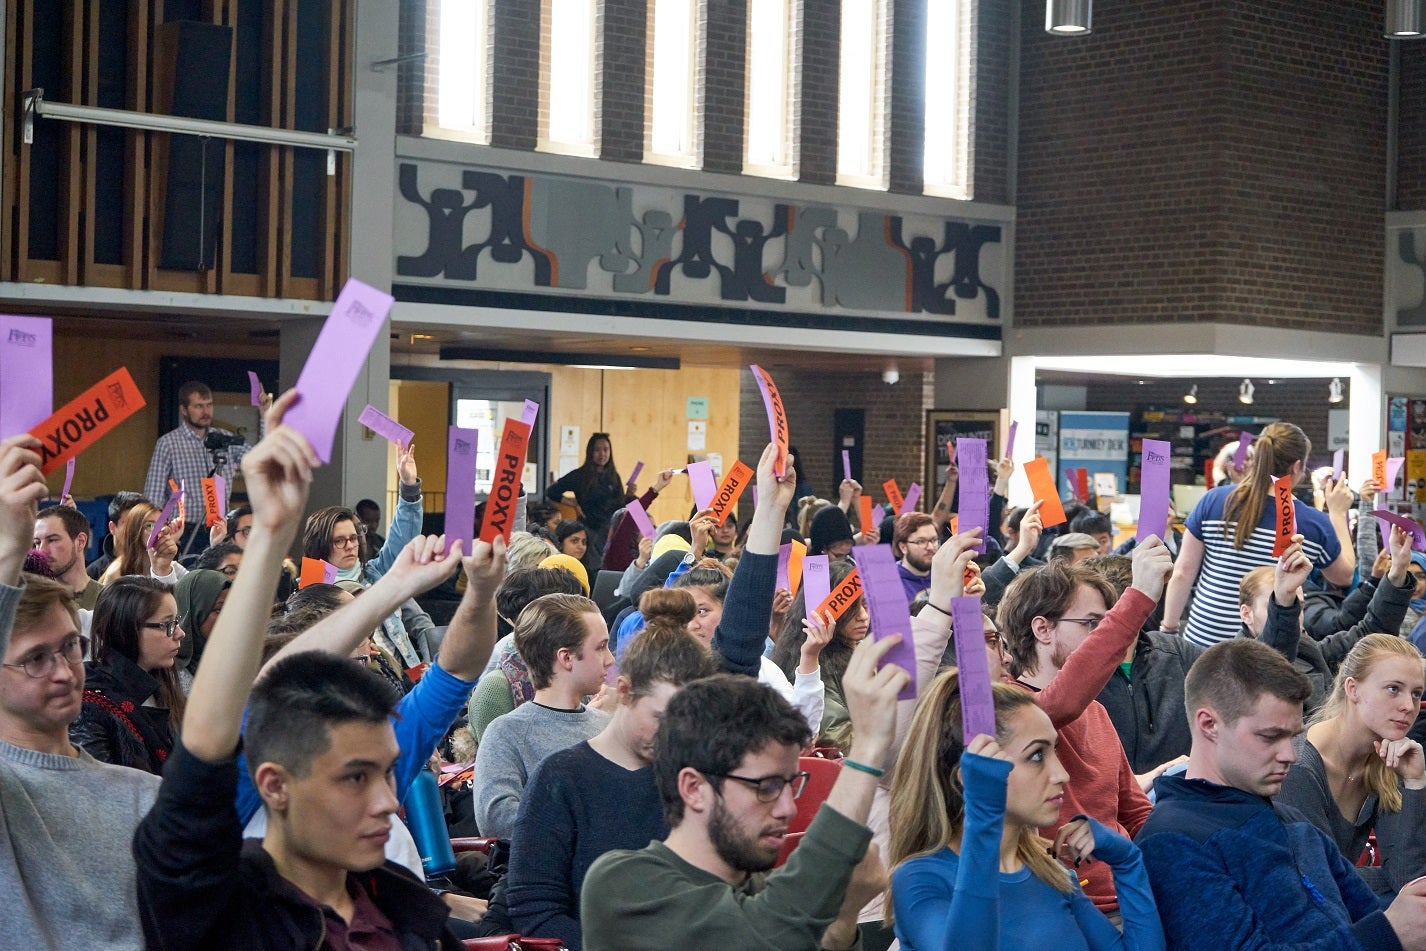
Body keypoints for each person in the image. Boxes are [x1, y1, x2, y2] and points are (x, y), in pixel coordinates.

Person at [133, 390, 466, 950]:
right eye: (355, 778)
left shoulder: (406, 911)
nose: (388, 800)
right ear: (274, 786)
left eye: (384, 774)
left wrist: (402, 588)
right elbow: (224, 722)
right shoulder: (218, 909)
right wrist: (268, 533)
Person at [580, 634, 911, 951]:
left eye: (790, 784)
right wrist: (867, 748)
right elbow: (770, 933)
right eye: (765, 787)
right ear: (694, 788)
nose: (788, 809)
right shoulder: (623, 887)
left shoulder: (762, 891)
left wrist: (840, 924)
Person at [1136, 638, 1426, 951]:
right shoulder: (1173, 841)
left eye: (1292, 737)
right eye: (1271, 737)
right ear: (1209, 725)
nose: (1289, 753)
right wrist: (1387, 934)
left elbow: (1372, 910)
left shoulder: (1293, 822)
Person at [0, 434, 161, 951]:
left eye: (70, 648)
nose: (66, 671)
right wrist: (8, 548)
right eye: (34, 659)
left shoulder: (140, 792)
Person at [888, 671, 1165, 950]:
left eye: (1053, 751)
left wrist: (1127, 862)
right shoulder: (920, 878)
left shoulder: (1051, 871)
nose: (1061, 775)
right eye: (1036, 756)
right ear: (971, 775)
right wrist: (983, 816)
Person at [507, 592, 719, 949]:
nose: (674, 735)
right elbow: (535, 908)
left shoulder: (692, 778)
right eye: (662, 717)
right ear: (625, 691)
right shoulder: (561, 778)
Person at [996, 539, 1173, 916]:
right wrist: (1138, 597)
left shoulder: (1096, 711)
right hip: (1063, 905)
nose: (1105, 637)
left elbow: (1135, 814)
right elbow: (1056, 706)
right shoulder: (1007, 710)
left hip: (1133, 894)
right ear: (1042, 629)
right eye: (1093, 623)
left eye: (1106, 623)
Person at [1163, 422, 1355, 646]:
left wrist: (1168, 629)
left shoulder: (1214, 500)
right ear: (1296, 466)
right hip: (1267, 653)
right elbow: (1344, 576)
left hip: (1202, 643)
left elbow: (1183, 572)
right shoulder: (1313, 524)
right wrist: (1338, 513)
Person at [1277, 634, 1426, 895]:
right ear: (1352, 689)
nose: (1408, 706)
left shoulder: (1387, 759)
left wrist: (1415, 782)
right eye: (1394, 689)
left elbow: (1407, 876)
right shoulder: (1298, 767)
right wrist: (1387, 879)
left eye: (1416, 694)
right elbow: (1321, 884)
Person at [472, 592, 614, 839]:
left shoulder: (608, 725)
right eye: (601, 647)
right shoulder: (506, 733)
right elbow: (496, 819)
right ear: (567, 658)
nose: (611, 659)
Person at [1238, 526, 1414, 713]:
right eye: (1276, 605)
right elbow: (1271, 659)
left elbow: (1372, 633)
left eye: (1300, 605)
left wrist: (1397, 572)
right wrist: (1283, 598)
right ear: (1246, 614)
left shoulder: (1309, 650)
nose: (1295, 614)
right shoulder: (1235, 666)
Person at [69, 576, 187, 772]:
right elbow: (101, 790)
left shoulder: (161, 684)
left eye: (176, 621)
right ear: (124, 630)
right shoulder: (91, 707)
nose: (180, 633)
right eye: (167, 625)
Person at [771, 556, 868, 751]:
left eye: (865, 605)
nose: (863, 617)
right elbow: (837, 737)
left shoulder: (866, 649)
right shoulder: (814, 665)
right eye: (851, 609)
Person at [144, 380, 267, 517]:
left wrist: (264, 416)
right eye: (199, 406)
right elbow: (153, 495)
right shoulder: (168, 443)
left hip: (219, 527)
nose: (206, 412)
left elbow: (260, 460)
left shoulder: (224, 438)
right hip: (183, 528)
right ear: (184, 410)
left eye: (209, 405)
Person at [546, 433, 631, 560]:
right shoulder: (580, 475)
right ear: (590, 452)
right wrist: (572, 503)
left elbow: (620, 504)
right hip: (589, 529)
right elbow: (552, 491)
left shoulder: (613, 476)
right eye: (597, 450)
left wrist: (628, 495)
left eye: (605, 449)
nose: (602, 454)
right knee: (593, 565)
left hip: (610, 530)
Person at [33, 504, 104, 609]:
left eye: (52, 540)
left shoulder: (108, 601)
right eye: (37, 542)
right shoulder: (30, 600)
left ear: (80, 542)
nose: (41, 551)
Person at [101, 500, 186, 585]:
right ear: (135, 531)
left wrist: (171, 540)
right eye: (151, 525)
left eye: (163, 524)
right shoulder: (116, 573)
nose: (161, 530)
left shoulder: (172, 566)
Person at [173, 568, 230, 675]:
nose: (231, 616)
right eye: (219, 610)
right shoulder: (166, 674)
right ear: (194, 613)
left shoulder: (241, 661)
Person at [86, 490, 149, 580]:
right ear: (112, 527)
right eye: (130, 524)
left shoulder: (157, 565)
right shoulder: (94, 573)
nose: (137, 531)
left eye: (143, 524)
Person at [894, 512, 940, 603]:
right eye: (921, 541)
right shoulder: (890, 583)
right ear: (903, 547)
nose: (930, 547)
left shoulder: (945, 577)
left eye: (934, 540)